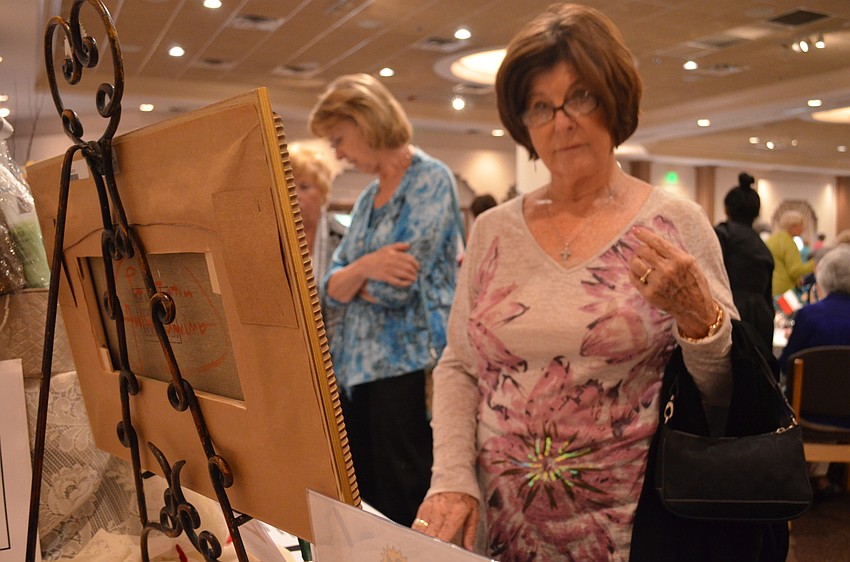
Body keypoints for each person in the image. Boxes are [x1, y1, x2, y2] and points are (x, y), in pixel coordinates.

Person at [413, 5, 741, 560]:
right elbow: (459, 366)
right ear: (523, 124)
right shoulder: (493, 231)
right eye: (540, 106)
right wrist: (450, 476)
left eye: (580, 97)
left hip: (635, 529)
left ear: (614, 100)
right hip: (502, 525)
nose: (561, 121)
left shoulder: (673, 223)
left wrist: (698, 317)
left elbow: (729, 391)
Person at [308, 73, 463, 526]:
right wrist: (364, 266)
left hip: (407, 367)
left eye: (339, 139)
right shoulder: (369, 198)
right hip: (356, 371)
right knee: (367, 500)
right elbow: (330, 287)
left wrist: (358, 274)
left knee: (406, 500)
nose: (337, 153)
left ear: (366, 121)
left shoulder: (431, 180)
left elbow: (396, 290)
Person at [778, 245, 850, 498]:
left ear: (825, 276)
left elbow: (787, 363)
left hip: (808, 413)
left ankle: (798, 477)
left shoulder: (809, 316)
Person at [288, 143, 347, 342]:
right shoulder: (270, 238)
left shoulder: (343, 239)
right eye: (288, 186)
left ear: (322, 193)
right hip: (290, 346)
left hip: (336, 347)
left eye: (304, 187)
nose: (294, 195)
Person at [714, 172, 775, 348]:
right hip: (761, 317)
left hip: (728, 313)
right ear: (756, 213)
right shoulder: (761, 245)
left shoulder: (722, 234)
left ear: (726, 209)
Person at [765, 210, 814, 296]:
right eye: (801, 225)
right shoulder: (788, 242)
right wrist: (814, 264)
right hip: (785, 290)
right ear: (793, 226)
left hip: (770, 286)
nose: (803, 229)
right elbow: (795, 270)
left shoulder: (771, 239)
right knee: (789, 310)